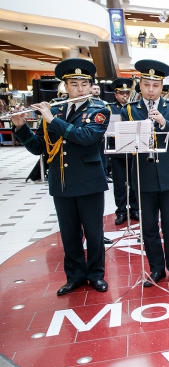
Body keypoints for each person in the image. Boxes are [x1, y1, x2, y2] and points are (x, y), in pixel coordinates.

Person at [11, 59, 110, 295]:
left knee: (94, 233)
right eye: (74, 84)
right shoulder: (53, 108)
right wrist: (21, 127)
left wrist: (52, 120)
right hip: (62, 182)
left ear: (90, 86)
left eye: (84, 84)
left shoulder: (99, 109)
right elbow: (39, 148)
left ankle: (96, 275)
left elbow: (85, 137)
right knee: (69, 233)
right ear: (65, 86)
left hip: (89, 182)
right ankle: (74, 276)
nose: (80, 88)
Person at [121, 59, 169, 287]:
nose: (151, 90)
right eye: (147, 84)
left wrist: (165, 123)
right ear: (139, 85)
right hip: (143, 175)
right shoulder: (129, 110)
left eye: (156, 85)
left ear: (163, 87)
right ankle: (156, 268)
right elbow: (124, 145)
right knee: (148, 226)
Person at [107, 78, 139, 225]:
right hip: (117, 150)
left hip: (133, 149)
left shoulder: (134, 108)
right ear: (116, 94)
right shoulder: (109, 108)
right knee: (120, 183)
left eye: (127, 93)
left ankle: (134, 208)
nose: (125, 96)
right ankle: (120, 211)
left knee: (134, 181)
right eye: (121, 93)